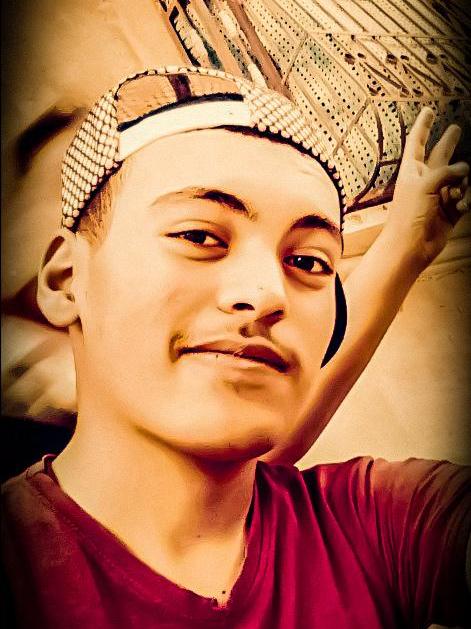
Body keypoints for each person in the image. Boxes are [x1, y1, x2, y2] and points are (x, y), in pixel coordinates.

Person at [2, 66, 470, 628]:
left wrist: (408, 245)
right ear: (65, 279)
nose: (268, 294)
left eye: (309, 261)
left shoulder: (378, 523)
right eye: (198, 236)